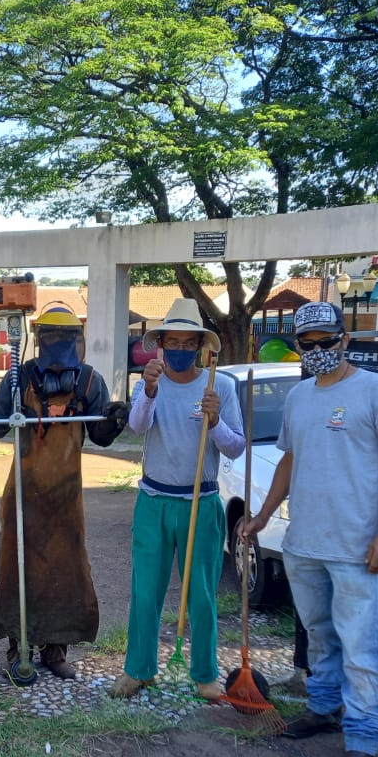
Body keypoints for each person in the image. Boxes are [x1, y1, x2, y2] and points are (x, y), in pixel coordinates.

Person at [240, 301, 378, 757]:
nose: (317, 351)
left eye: (326, 341)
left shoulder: (376, 391)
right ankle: (323, 708)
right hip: (305, 543)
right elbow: (289, 464)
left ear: (344, 339)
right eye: (307, 344)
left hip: (359, 546)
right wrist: (261, 516)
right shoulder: (298, 398)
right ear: (298, 345)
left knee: (360, 646)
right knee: (319, 633)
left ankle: (362, 741)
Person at [0, 306, 129, 678]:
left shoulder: (88, 382)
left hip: (66, 499)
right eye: (50, 337)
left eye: (65, 337)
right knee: (18, 569)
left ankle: (56, 651)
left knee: (65, 571)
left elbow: (100, 435)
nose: (58, 344)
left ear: (77, 340)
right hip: (23, 493)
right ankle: (18, 646)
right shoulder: (19, 379)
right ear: (38, 339)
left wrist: (115, 419)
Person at [110, 299, 245, 701]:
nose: (181, 349)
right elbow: (136, 428)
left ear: (201, 347)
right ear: (161, 344)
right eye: (173, 341)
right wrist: (149, 391)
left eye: (190, 342)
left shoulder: (219, 385)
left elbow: (236, 448)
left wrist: (216, 421)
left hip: (200, 503)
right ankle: (139, 669)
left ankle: (204, 674)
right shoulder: (147, 382)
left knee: (201, 593)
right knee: (145, 590)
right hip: (154, 499)